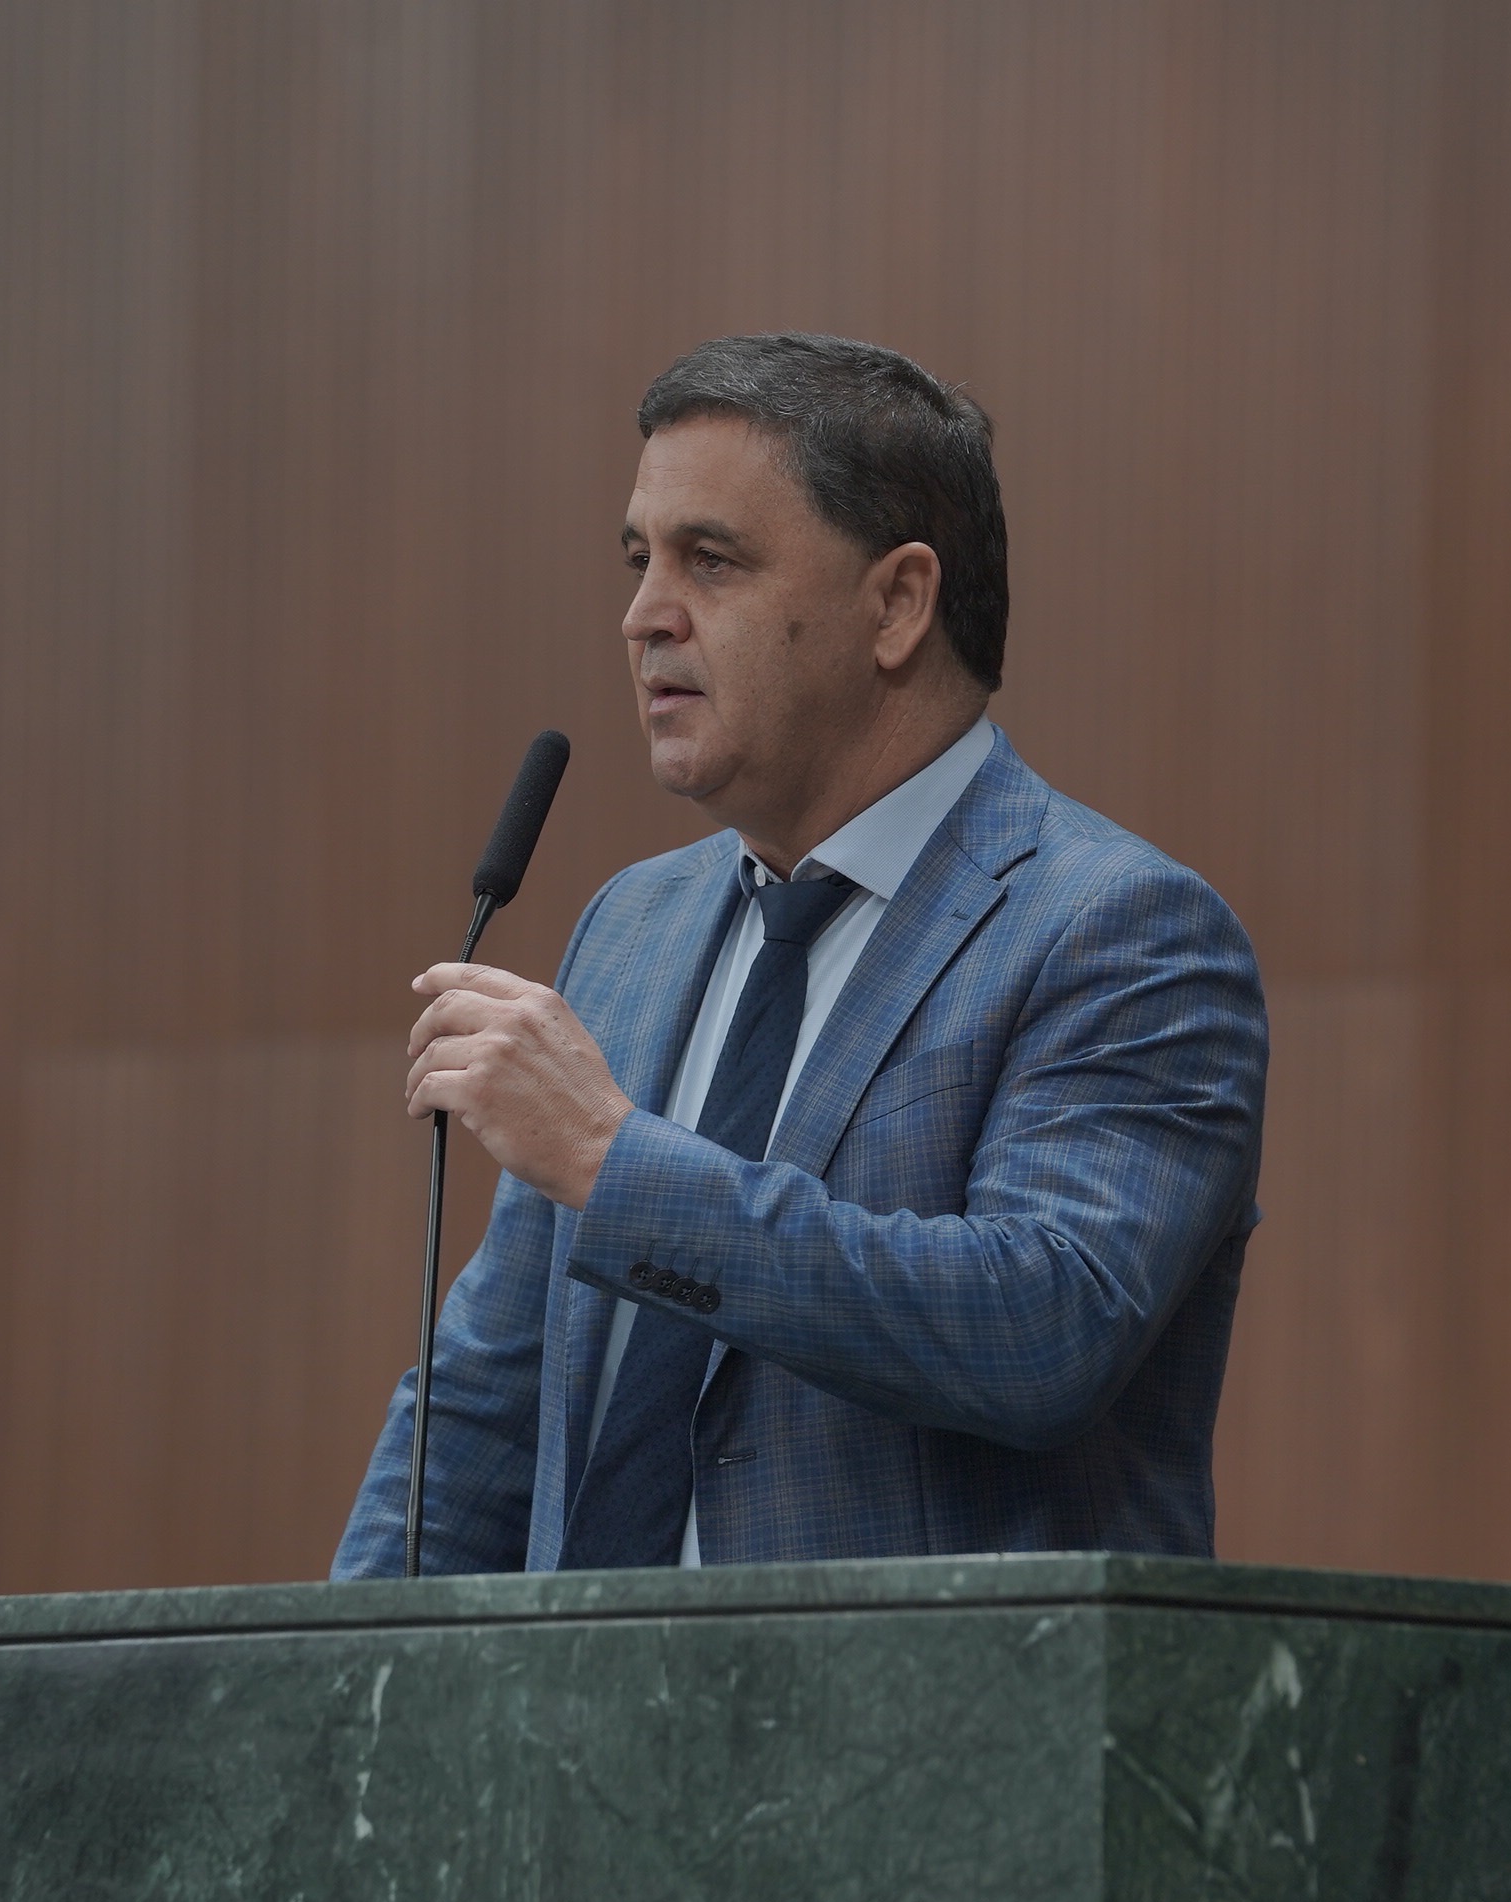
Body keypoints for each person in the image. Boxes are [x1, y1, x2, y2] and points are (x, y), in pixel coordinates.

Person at [333, 333, 1268, 1575]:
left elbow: (1041, 1326)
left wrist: (616, 1163)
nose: (642, 617)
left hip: (923, 1701)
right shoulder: (631, 928)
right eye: (639, 560)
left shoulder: (1117, 930)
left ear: (896, 604)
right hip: (578, 1700)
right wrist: (352, 1677)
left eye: (709, 560)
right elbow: (487, 1411)